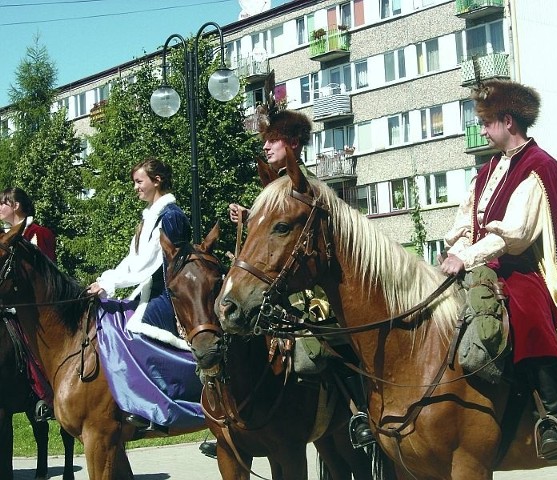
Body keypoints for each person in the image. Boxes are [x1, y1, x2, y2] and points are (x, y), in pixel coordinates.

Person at [440, 79, 557, 462]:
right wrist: (454, 256)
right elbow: (468, 224)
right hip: (483, 264)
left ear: (507, 120)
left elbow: (516, 235)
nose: (482, 129)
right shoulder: (487, 170)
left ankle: (551, 414)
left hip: (524, 269)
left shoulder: (540, 168)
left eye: (487, 122)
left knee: (527, 314)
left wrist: (468, 257)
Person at [228, 109, 376, 450]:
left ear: (292, 144)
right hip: (282, 285)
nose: (266, 147)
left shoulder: (306, 185)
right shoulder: (274, 183)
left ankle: (359, 410)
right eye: (265, 141)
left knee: (323, 344)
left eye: (273, 140)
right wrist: (249, 216)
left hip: (313, 288)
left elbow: (301, 233)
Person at [87, 158, 203, 434]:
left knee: (131, 333)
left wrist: (109, 285)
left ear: (157, 180)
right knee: (110, 321)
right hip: (149, 291)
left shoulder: (171, 216)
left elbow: (149, 264)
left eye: (139, 182)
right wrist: (105, 281)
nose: (136, 188)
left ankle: (152, 406)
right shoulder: (150, 216)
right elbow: (132, 260)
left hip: (169, 296)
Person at [0, 187, 57, 420]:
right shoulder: (4, 238)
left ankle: (44, 395)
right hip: (9, 305)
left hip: (33, 309)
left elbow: (45, 275)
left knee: (29, 342)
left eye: (3, 203)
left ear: (16, 206)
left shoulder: (38, 233)